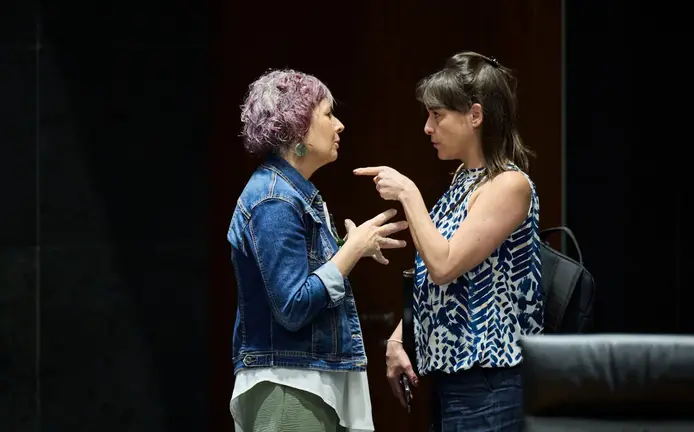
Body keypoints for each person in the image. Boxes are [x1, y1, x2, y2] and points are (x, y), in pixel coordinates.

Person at [354, 52, 544, 431]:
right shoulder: (463, 179)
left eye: (437, 115)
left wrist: (408, 193)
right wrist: (398, 339)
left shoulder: (509, 185)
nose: (427, 128)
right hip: (453, 380)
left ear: (475, 116)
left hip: (491, 381)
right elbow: (437, 276)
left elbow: (443, 265)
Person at [227, 69, 409, 432]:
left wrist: (351, 248)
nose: (339, 125)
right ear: (296, 125)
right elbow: (293, 306)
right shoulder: (274, 199)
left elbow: (299, 277)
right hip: (288, 386)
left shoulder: (290, 193)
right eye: (328, 114)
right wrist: (351, 251)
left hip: (303, 382)